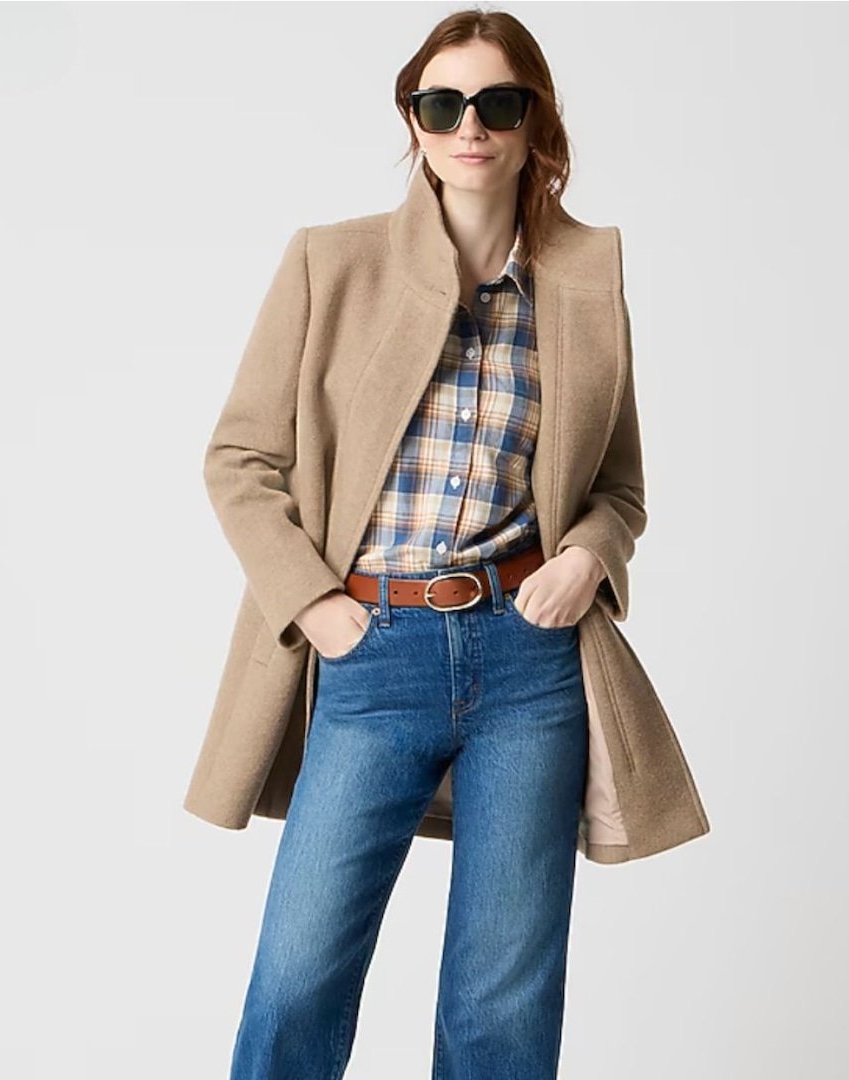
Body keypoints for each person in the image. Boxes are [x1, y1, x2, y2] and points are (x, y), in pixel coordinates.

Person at [198, 8, 711, 1079]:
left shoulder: (584, 281)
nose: (469, 126)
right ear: (415, 122)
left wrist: (587, 560)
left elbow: (618, 487)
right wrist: (316, 605)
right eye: (442, 104)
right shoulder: (331, 262)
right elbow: (240, 459)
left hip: (530, 665)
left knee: (500, 1008)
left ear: (534, 123)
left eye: (497, 103)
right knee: (298, 982)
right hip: (371, 652)